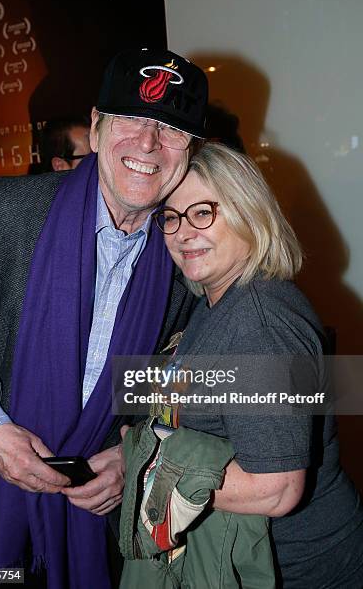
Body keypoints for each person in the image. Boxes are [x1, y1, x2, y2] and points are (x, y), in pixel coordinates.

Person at [0, 48, 208, 588]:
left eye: (171, 128)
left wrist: (129, 454)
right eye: (132, 119)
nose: (147, 143)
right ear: (95, 128)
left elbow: (175, 383)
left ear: (191, 151)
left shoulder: (190, 254)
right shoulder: (7, 211)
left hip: (96, 520)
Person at [142, 142, 363, 588]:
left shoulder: (258, 321)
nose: (183, 232)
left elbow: (276, 487)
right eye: (171, 217)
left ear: (249, 212)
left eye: (203, 212)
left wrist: (144, 472)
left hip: (300, 569)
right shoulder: (216, 300)